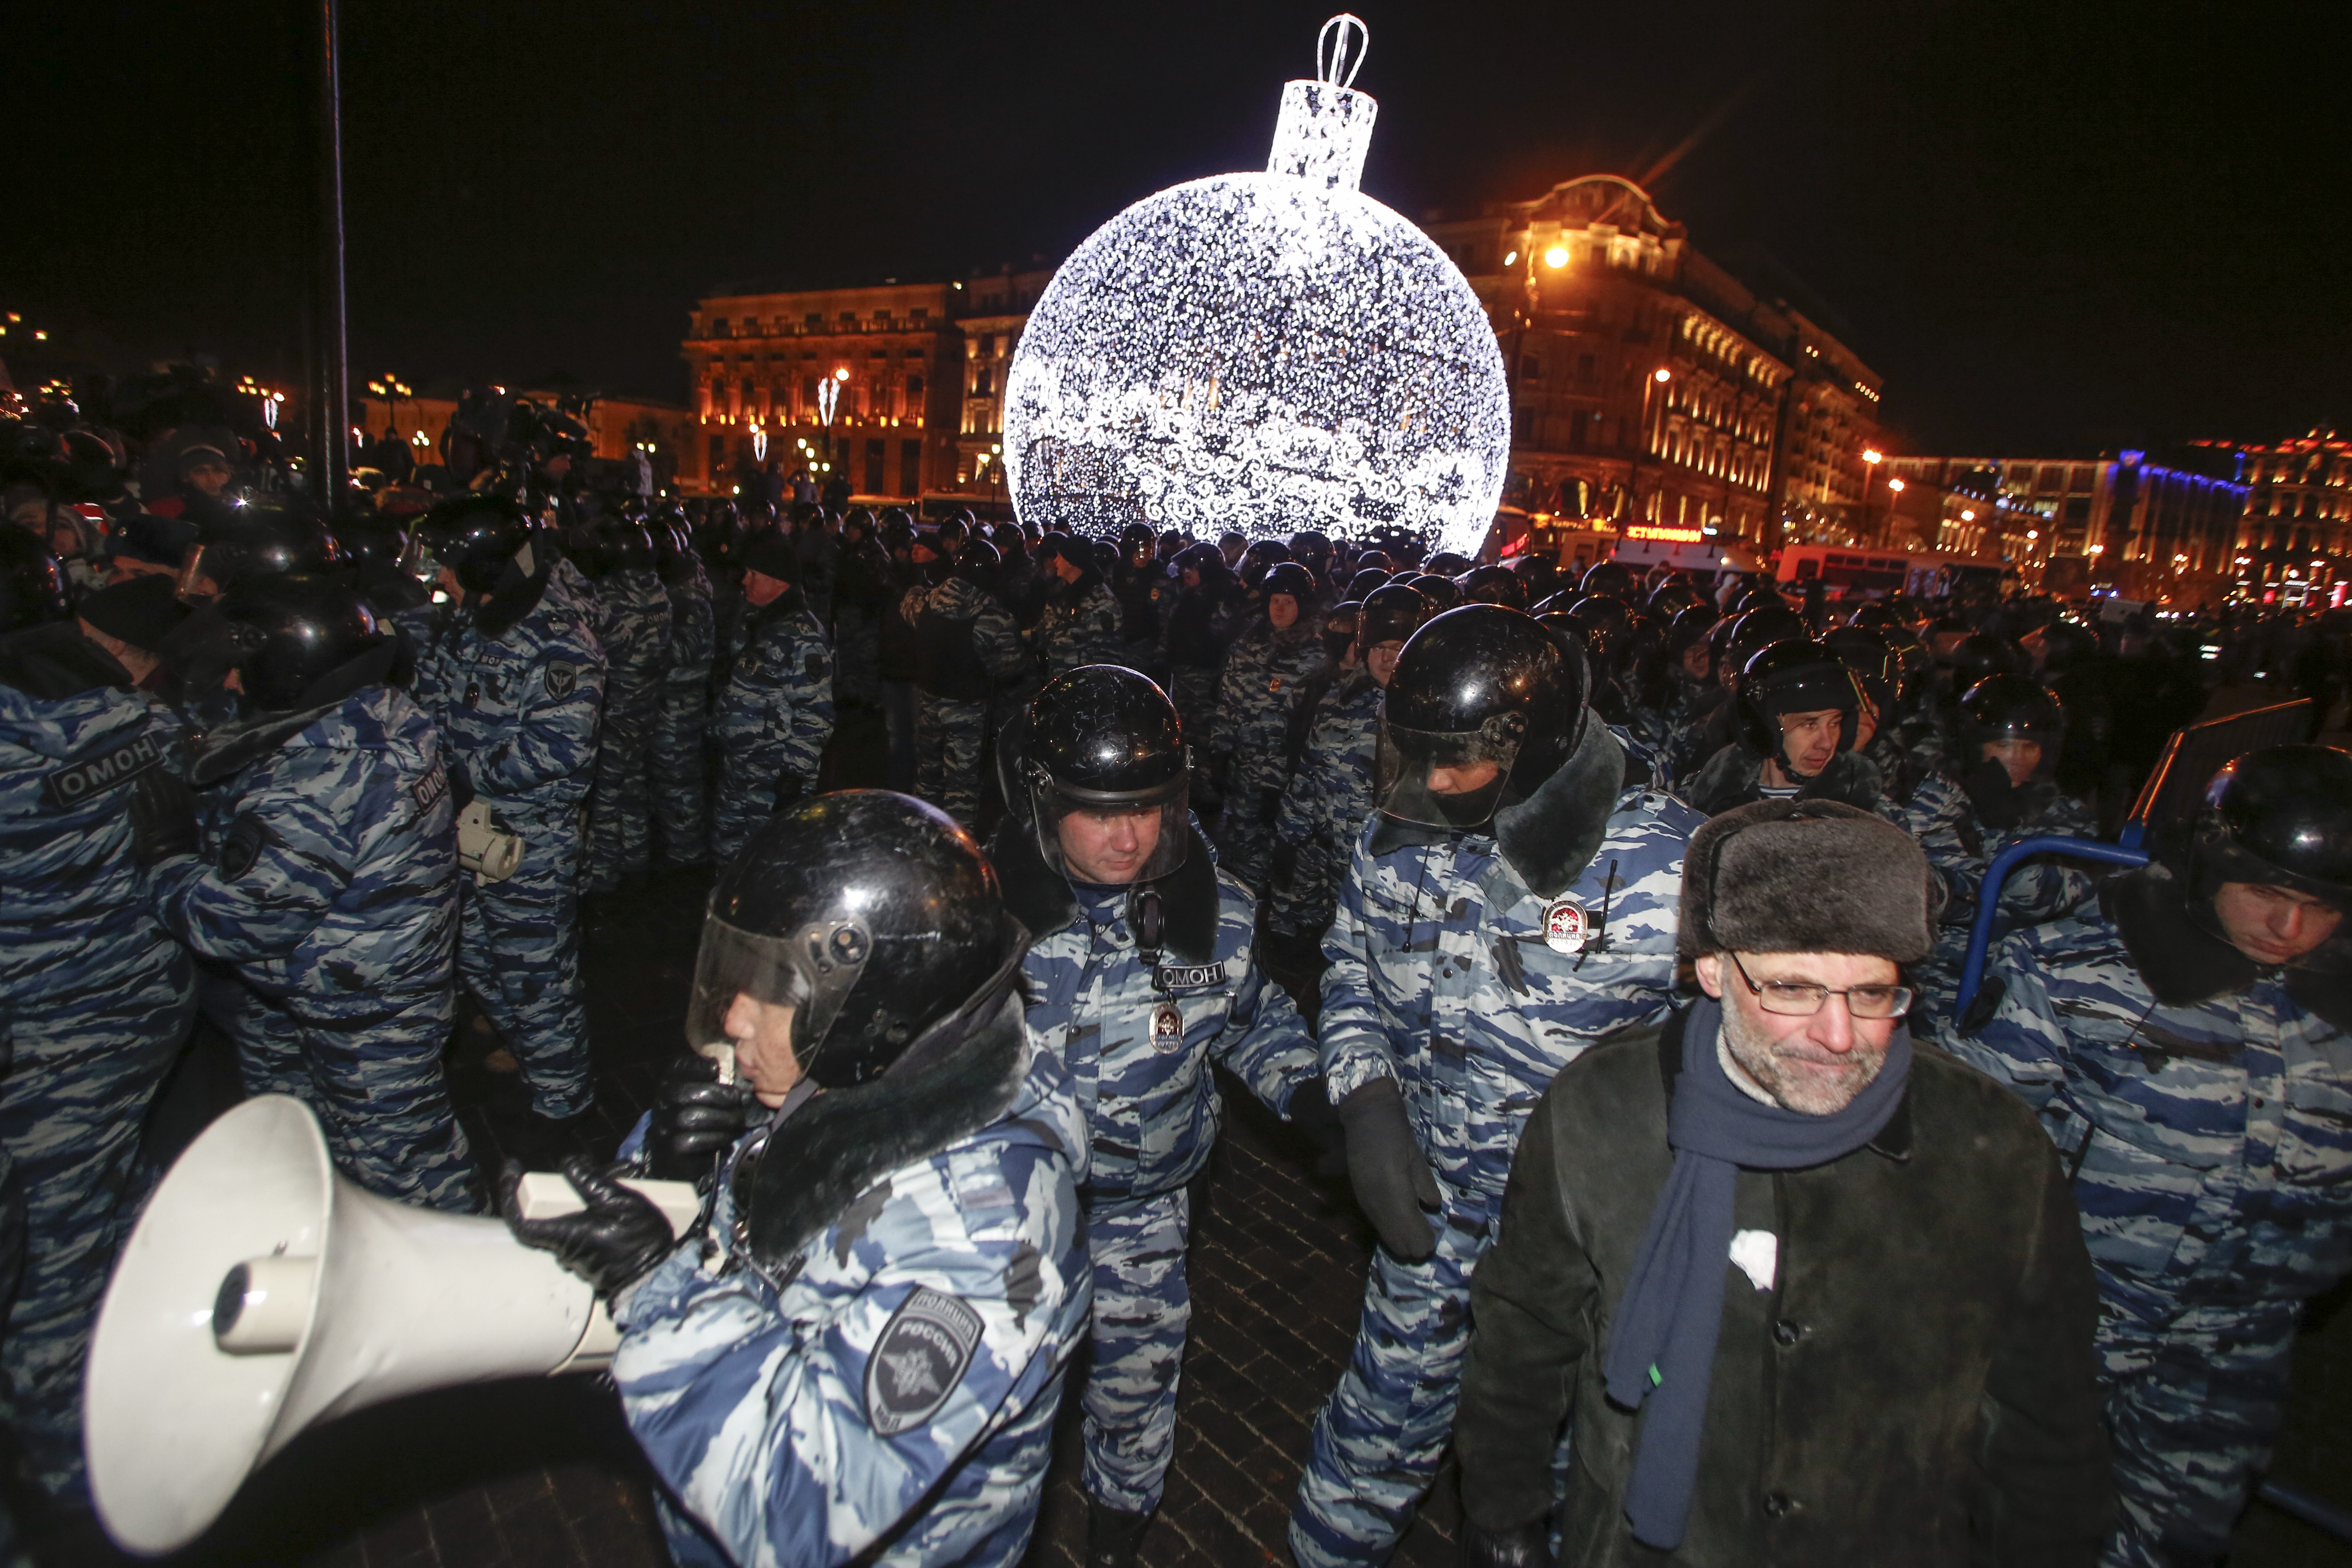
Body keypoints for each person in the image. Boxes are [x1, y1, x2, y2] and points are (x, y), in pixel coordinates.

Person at [1454, 798, 2114, 1565]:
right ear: (1712, 969)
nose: (1837, 1035)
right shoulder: (1599, 1113)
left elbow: (2046, 1424)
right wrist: (1503, 1515)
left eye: (1871, 993)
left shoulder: (1994, 1151)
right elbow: (1524, 1336)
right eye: (1793, 989)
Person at [509, 791, 1089, 1568]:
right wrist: (671, 1181)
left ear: (875, 1007)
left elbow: (794, 1512)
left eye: (772, 991)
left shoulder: (990, 1235)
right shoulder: (834, 1076)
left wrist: (657, 1287)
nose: (735, 1020)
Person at [1290, 605, 1703, 1566]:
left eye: (1459, 762)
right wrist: (1364, 1096)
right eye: (1421, 755)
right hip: (1432, 1220)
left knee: (1556, 1480)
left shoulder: (1669, 866)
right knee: (1369, 1443)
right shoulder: (1400, 830)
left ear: (1532, 745)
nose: (1433, 781)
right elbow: (1349, 966)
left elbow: (1719, 1058)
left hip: (1579, 1255)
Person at [1945, 745, 2352, 1568]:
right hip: (2060, 1329)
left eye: (2318, 907)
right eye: (2266, 895)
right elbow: (1964, 1138)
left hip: (2230, 1351)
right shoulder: (2077, 975)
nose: (2289, 929)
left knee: (2171, 1541)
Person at [987, 667, 1328, 1567]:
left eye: (1147, 808)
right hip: (1004, 1214)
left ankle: (1117, 1526)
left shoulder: (1215, 914)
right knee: (995, 1392)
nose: (1129, 837)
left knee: (1135, 1385)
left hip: (1143, 1209)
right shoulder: (981, 921)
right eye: (1100, 813)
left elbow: (1254, 1019)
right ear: (1043, 804)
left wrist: (1317, 1099)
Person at [149, 574, 475, 1207]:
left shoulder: (309, 784)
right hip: (397, 978)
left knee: (410, 1172)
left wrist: (166, 859)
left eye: (245, 668)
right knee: (368, 1151)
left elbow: (233, 923)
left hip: (362, 1014)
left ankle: (463, 1260)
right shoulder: (386, 712)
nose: (233, 683)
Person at [0, 549, 198, 1512]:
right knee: (102, 1200)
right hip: (137, 1003)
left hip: (42, 1031)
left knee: (52, 1251)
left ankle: (75, 1458)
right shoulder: (143, 722)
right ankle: (152, 1342)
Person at [405, 495, 607, 1153]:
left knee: (536, 974)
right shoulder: (474, 623)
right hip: (466, 825)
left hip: (526, 839)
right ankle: (537, 1058)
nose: (440, 577)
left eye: (450, 564)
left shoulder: (557, 640)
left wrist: (467, 773)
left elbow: (561, 749)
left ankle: (564, 1100)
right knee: (475, 956)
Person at [1267, 582, 1429, 953]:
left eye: (1399, 648)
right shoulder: (1338, 700)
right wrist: (1289, 837)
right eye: (1379, 648)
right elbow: (1308, 773)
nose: (1387, 659)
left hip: (1398, 873)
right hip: (1331, 859)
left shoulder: (1433, 717)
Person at [710, 530, 833, 861]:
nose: (744, 581)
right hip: (739, 770)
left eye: (753, 575)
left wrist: (792, 777)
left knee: (769, 863)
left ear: (779, 582)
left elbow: (815, 715)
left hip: (772, 778)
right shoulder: (756, 620)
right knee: (730, 858)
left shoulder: (803, 637)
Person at [1209, 560, 1330, 892]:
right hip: (1244, 767)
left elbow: (1315, 723)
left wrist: (1287, 778)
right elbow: (1228, 701)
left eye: (1288, 602)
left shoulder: (1317, 654)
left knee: (1280, 857)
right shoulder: (1249, 643)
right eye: (1274, 600)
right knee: (1239, 847)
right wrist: (1219, 752)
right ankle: (1243, 905)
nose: (1279, 608)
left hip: (1287, 777)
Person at [1680, 638, 1880, 815]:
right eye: (1809, 725)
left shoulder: (1867, 812)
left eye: (1835, 723)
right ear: (1764, 726)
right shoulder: (1707, 796)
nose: (1827, 744)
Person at [913, 539, 1023, 827]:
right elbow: (1010, 667)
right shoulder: (992, 617)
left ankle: (922, 836)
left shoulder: (926, 602)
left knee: (927, 779)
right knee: (961, 788)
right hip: (969, 711)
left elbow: (908, 611)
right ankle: (958, 846)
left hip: (928, 704)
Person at [650, 509, 715, 869]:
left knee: (680, 781)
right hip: (674, 701)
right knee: (671, 779)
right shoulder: (680, 594)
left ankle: (688, 854)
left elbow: (684, 650)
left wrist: (646, 639)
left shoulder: (688, 601)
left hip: (682, 703)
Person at [1030, 532, 1124, 676]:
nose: (1055, 561)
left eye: (1060, 557)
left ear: (1071, 562)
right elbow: (1044, 630)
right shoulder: (1059, 594)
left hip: (1081, 682)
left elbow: (1107, 655)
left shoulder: (1101, 602)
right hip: (1056, 678)